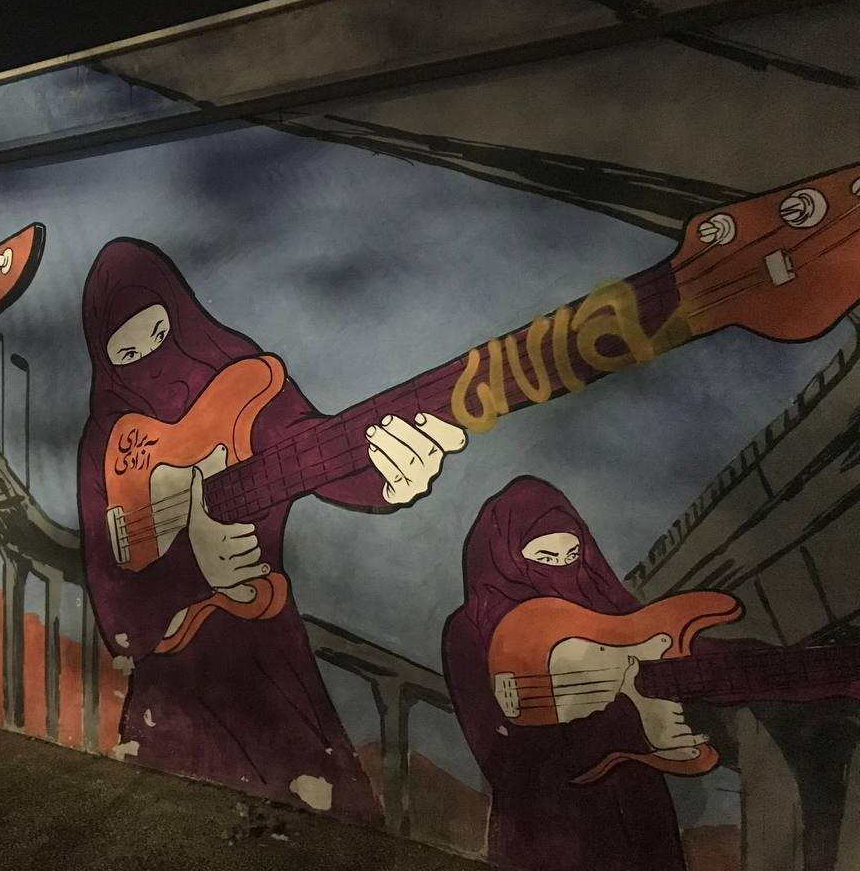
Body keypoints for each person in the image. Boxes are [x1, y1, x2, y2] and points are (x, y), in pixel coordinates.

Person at [77, 237, 465, 821]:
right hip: (172, 695)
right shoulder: (102, 445)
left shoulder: (247, 388)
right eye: (128, 354)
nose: (157, 365)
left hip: (272, 666)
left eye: (162, 336)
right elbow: (116, 610)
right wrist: (191, 564)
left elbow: (313, 450)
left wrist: (387, 476)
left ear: (185, 319)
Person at [442, 475, 857, 871]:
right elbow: (501, 759)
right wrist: (632, 727)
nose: (561, 574)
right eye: (544, 560)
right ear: (501, 558)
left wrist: (827, 671)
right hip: (547, 832)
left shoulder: (610, 610)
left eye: (572, 557)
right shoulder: (471, 632)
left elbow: (703, 659)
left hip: (641, 814)